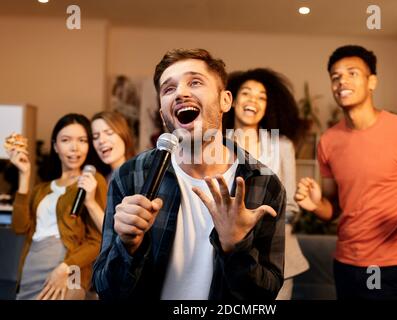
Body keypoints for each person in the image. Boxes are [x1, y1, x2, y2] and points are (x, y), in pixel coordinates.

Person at [93, 48, 286, 300]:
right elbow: (108, 291)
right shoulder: (131, 177)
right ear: (163, 114)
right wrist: (128, 247)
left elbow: (264, 296)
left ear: (225, 100)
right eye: (168, 89)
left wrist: (236, 247)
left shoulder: (264, 184)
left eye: (195, 82)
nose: (181, 93)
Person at [295, 45, 397, 299]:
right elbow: (332, 209)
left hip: (390, 265)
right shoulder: (328, 141)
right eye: (335, 76)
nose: (341, 80)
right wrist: (315, 204)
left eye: (352, 73)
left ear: (372, 82)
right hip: (345, 261)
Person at [223, 68, 309, 300]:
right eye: (246, 94)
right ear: (230, 101)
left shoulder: (283, 146)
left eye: (262, 97)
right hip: (229, 254)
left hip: (277, 254)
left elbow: (290, 204)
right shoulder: (217, 145)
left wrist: (263, 227)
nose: (254, 101)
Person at [9, 113, 107, 300]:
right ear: (55, 146)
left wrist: (65, 267)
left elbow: (97, 240)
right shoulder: (41, 189)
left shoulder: (93, 181)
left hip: (69, 267)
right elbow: (19, 227)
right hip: (32, 265)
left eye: (82, 140)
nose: (74, 147)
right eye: (66, 140)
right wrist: (24, 175)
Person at [87, 111, 136, 232]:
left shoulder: (137, 176)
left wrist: (90, 203)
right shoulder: (100, 179)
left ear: (123, 135)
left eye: (109, 133)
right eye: (95, 137)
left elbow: (118, 235)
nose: (101, 141)